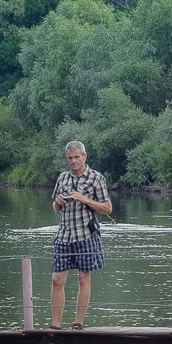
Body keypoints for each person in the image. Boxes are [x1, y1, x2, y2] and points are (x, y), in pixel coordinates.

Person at [50, 140, 112, 329]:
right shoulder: (62, 178)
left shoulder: (95, 178)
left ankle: (78, 322)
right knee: (57, 279)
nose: (74, 161)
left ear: (84, 156)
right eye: (70, 158)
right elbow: (55, 208)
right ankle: (55, 325)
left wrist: (84, 199)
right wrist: (59, 202)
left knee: (83, 278)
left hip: (86, 234)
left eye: (77, 157)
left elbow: (108, 208)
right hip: (64, 235)